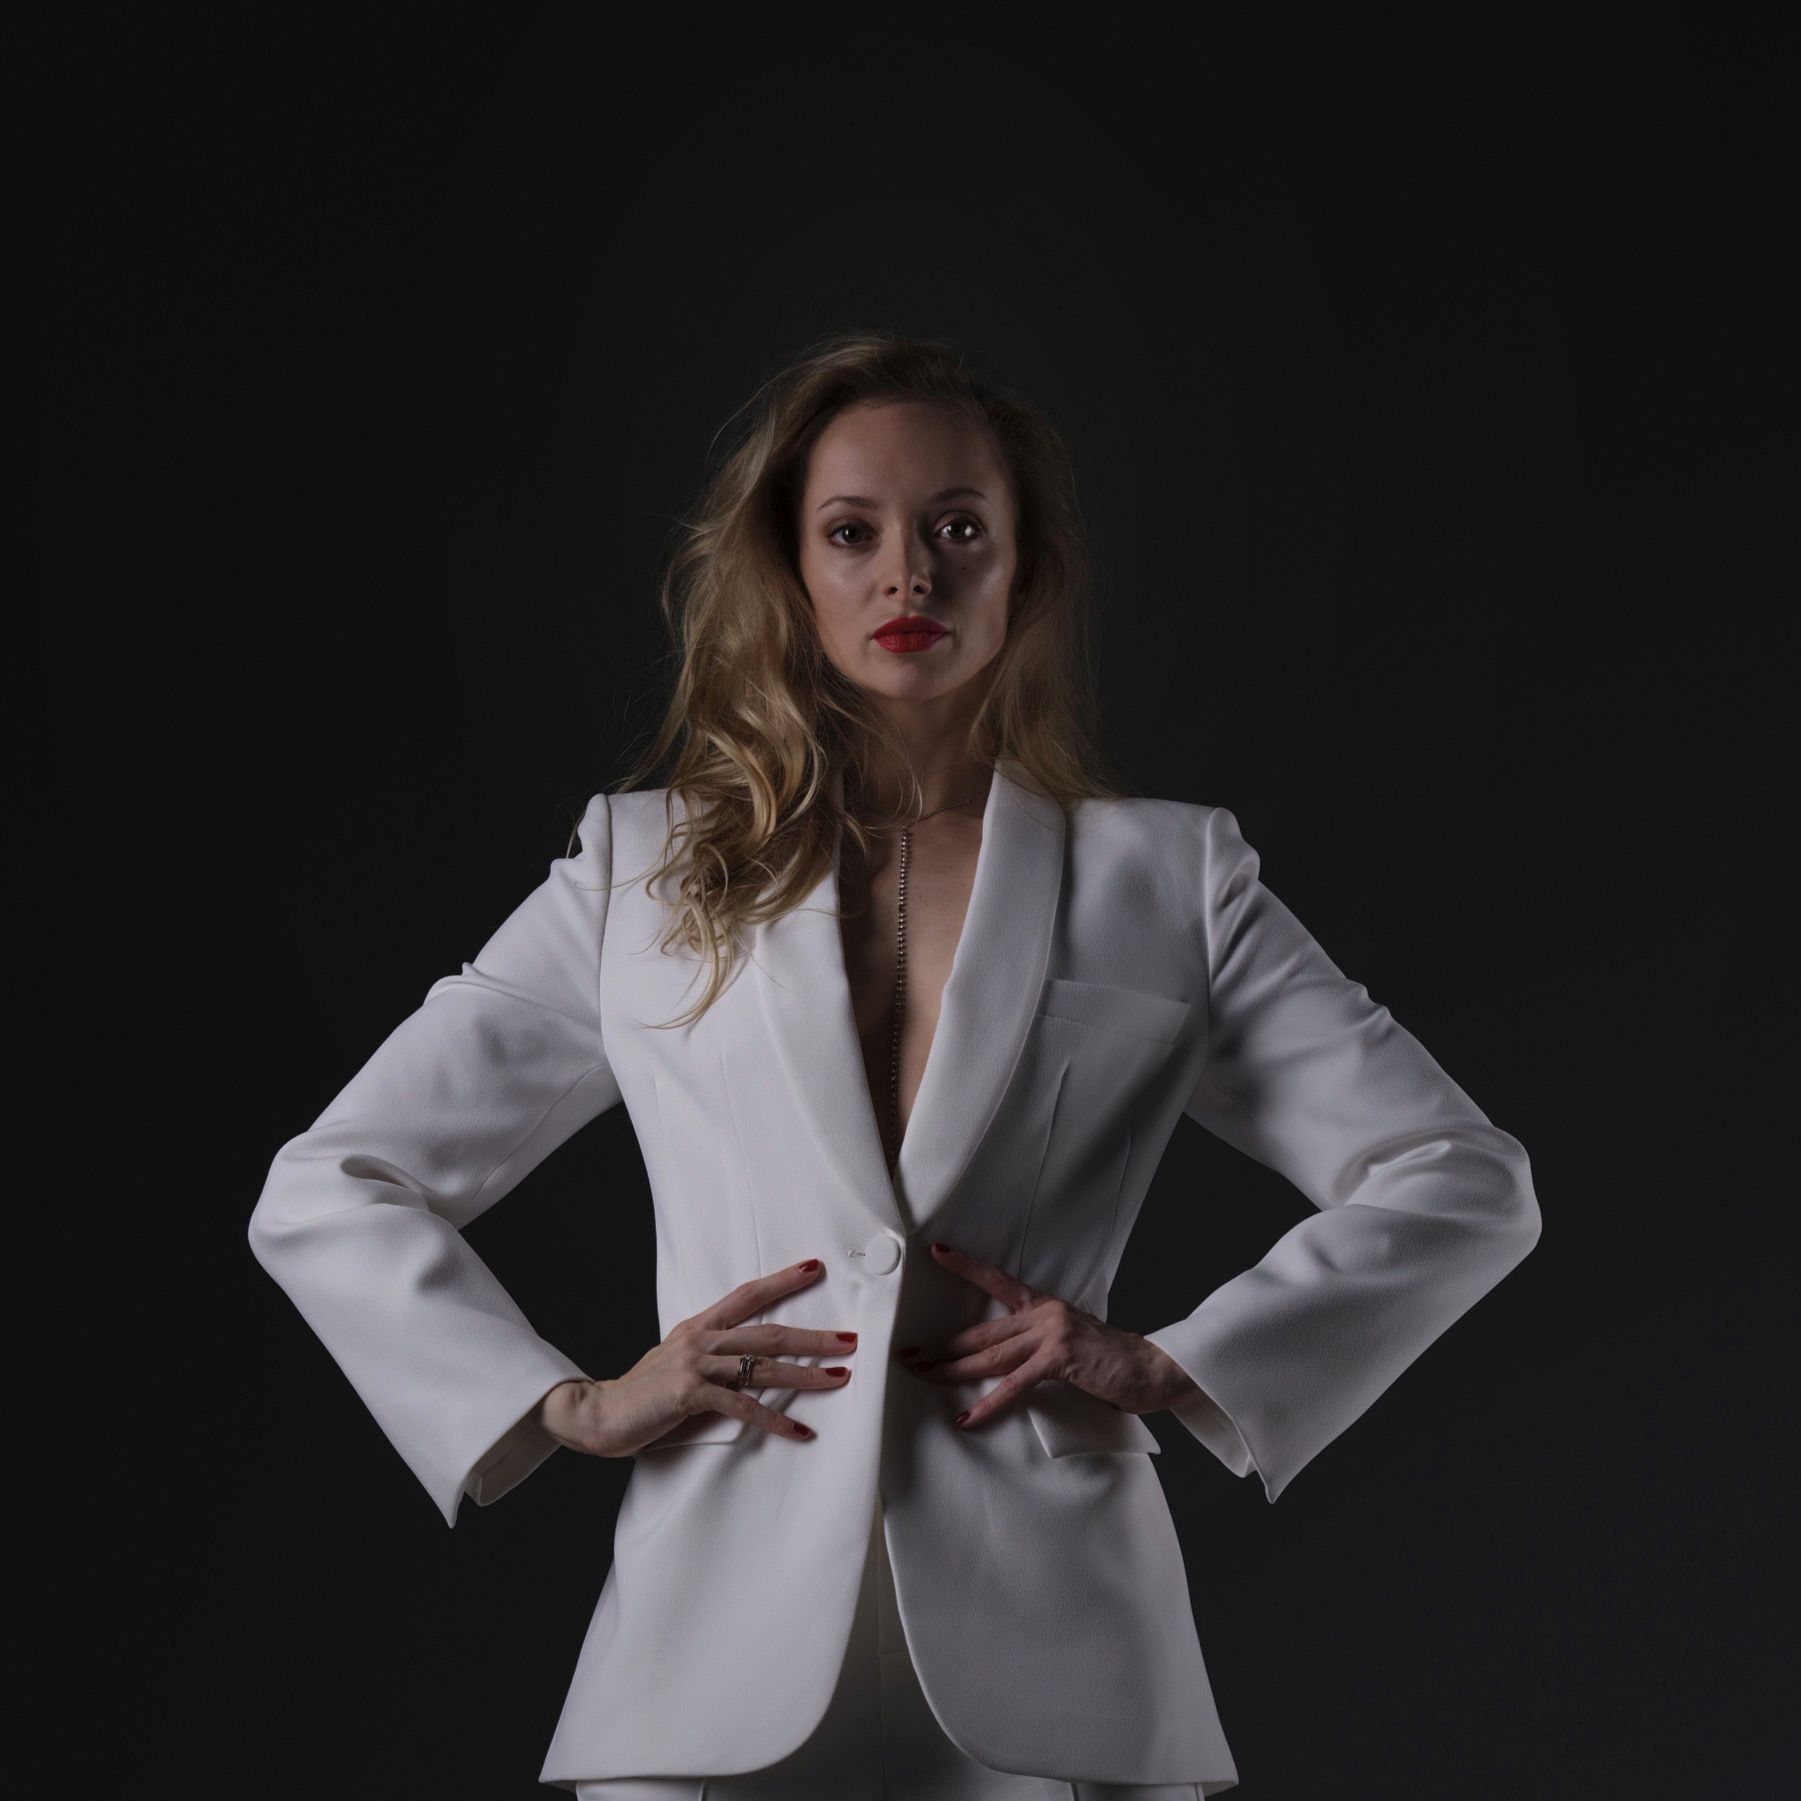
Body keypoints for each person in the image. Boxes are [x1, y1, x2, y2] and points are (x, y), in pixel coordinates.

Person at [248, 328, 1542, 1798]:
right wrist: (567, 1405)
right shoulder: (639, 869)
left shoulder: (1167, 881)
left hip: (1068, 1664)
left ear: (1024, 566)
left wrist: (1178, 1363)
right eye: (853, 532)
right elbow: (333, 1182)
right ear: (789, 568)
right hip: (701, 1673)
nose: (907, 576)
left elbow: (1460, 1177)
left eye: (957, 530)